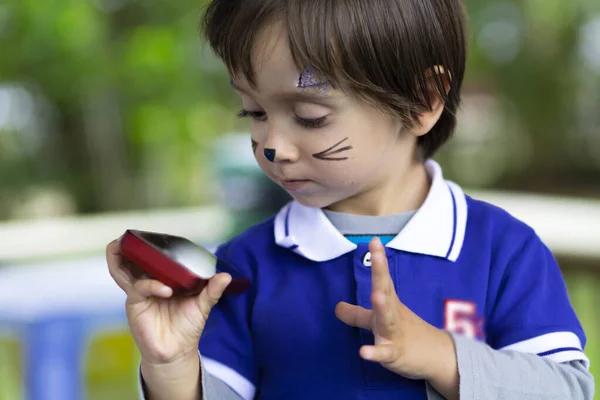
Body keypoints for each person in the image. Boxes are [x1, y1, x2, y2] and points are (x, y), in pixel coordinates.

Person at [106, 0, 595, 399]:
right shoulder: (241, 271)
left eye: (311, 115)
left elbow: (568, 390)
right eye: (253, 111)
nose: (273, 143)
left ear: (424, 99)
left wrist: (440, 355)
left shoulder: (504, 252)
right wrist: (171, 367)